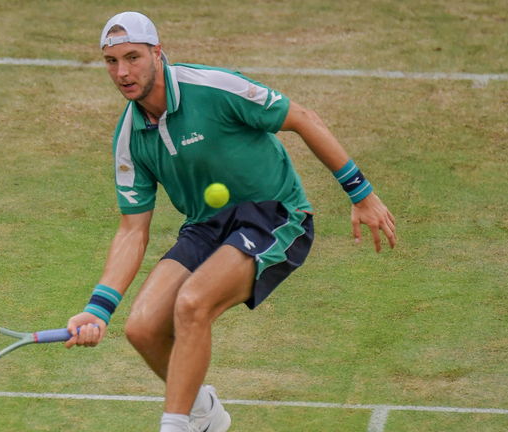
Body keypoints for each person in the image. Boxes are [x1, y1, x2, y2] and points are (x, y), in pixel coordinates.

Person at [64, 11, 397, 432]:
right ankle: (205, 414)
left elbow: (302, 118)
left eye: (133, 57)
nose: (123, 72)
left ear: (157, 53)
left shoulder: (213, 88)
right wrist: (98, 309)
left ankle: (176, 425)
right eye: (112, 62)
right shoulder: (129, 137)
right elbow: (133, 230)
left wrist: (361, 193)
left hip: (274, 214)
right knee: (142, 327)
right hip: (206, 225)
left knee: (191, 302)